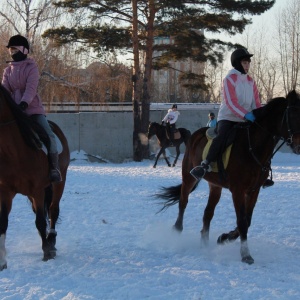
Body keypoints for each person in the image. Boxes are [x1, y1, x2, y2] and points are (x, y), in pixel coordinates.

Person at [190, 48, 262, 181]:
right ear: (237, 63)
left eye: (248, 63)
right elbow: (231, 102)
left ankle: (262, 170)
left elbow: (256, 102)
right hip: (228, 118)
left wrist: (259, 115)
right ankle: (206, 164)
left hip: (246, 119)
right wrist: (246, 115)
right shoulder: (230, 78)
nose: (247, 65)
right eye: (245, 62)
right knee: (222, 137)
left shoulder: (251, 81)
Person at [2, 34, 62, 182]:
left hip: (32, 110)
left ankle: (54, 168)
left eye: (15, 50)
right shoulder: (7, 71)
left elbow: (31, 89)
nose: (12, 53)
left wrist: (24, 104)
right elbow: (4, 90)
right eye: (11, 51)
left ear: (24, 50)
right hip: (15, 112)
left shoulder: (32, 68)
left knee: (49, 135)